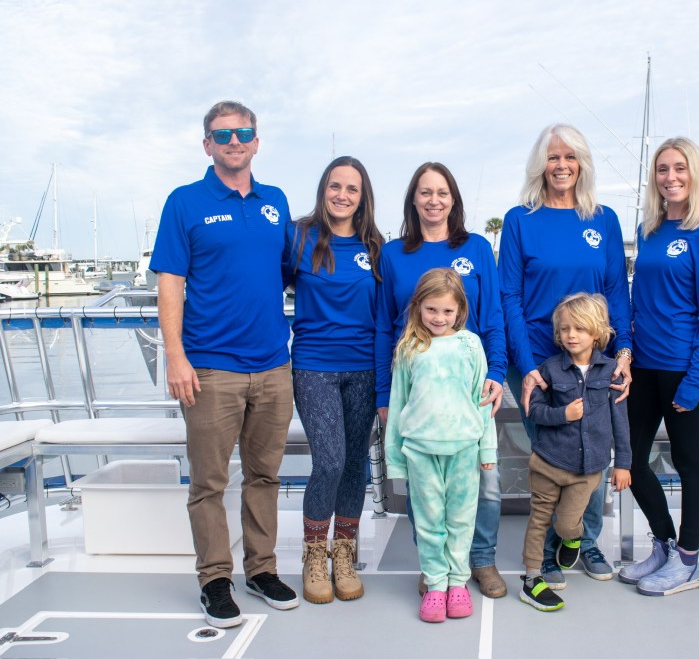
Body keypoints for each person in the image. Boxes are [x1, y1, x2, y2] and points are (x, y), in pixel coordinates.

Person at [151, 101, 298, 629]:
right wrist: (176, 356)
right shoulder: (185, 202)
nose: (234, 141)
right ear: (207, 143)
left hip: (273, 365)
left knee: (264, 476)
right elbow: (169, 280)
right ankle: (215, 579)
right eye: (223, 134)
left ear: (256, 141)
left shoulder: (275, 201)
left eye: (244, 132)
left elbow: (290, 273)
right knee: (208, 483)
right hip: (210, 368)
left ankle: (261, 569)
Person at [499, 123, 632, 587]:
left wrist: (624, 351)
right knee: (555, 453)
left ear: (582, 164)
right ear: (541, 164)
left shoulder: (604, 219)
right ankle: (554, 547)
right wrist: (528, 366)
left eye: (570, 157)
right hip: (539, 360)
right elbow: (509, 297)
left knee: (592, 449)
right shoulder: (520, 220)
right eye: (553, 157)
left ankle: (585, 539)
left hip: (591, 361)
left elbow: (616, 288)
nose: (561, 165)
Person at [375, 162, 508, 598]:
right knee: (425, 490)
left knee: (482, 483)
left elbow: (492, 319)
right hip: (416, 386)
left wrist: (497, 373)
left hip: (469, 388)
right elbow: (384, 327)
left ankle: (480, 561)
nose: (434, 200)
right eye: (425, 192)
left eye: (442, 192)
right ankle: (434, 568)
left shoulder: (476, 249)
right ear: (413, 199)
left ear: (454, 199)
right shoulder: (394, 254)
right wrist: (384, 394)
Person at [618, 138, 699, 596]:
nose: (671, 177)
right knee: (633, 461)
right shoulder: (649, 229)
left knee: (687, 464)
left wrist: (696, 378)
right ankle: (663, 545)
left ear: (694, 173)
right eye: (663, 169)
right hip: (643, 367)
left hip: (685, 370)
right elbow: (639, 300)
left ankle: (689, 559)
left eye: (680, 168)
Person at [282, 156, 384, 604]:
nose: (342, 195)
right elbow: (268, 285)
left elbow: (387, 313)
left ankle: (343, 554)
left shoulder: (375, 246)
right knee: (329, 461)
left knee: (354, 465)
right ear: (324, 189)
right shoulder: (298, 237)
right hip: (314, 367)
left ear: (363, 198)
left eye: (352, 189)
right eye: (335, 186)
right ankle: (312, 554)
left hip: (363, 368)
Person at [384, 268, 497, 623]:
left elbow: (483, 400)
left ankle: (458, 582)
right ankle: (435, 585)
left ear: (460, 310)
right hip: (419, 450)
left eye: (447, 311)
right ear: (418, 307)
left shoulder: (471, 344)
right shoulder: (409, 347)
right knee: (430, 521)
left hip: (464, 447)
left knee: (461, 520)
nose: (439, 318)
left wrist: (487, 450)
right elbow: (398, 401)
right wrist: (395, 461)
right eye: (432, 309)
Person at [519, 293, 631, 612]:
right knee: (540, 518)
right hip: (548, 462)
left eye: (580, 329)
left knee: (568, 524)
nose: (571, 335)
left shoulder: (610, 372)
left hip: (588, 471)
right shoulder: (550, 369)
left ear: (597, 333)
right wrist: (562, 415)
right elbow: (535, 411)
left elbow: (620, 423)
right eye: (565, 329)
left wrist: (623, 464)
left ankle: (573, 541)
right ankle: (532, 577)